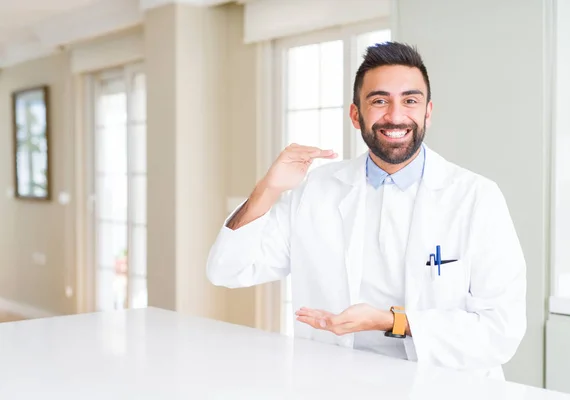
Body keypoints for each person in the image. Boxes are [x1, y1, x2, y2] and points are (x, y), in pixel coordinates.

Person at [206, 41, 526, 380]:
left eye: (410, 100)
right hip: (337, 381)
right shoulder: (317, 189)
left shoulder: (476, 198)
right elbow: (227, 270)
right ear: (356, 115)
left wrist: (391, 321)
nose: (396, 115)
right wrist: (267, 189)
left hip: (444, 384)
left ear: (428, 112)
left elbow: (500, 330)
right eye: (379, 101)